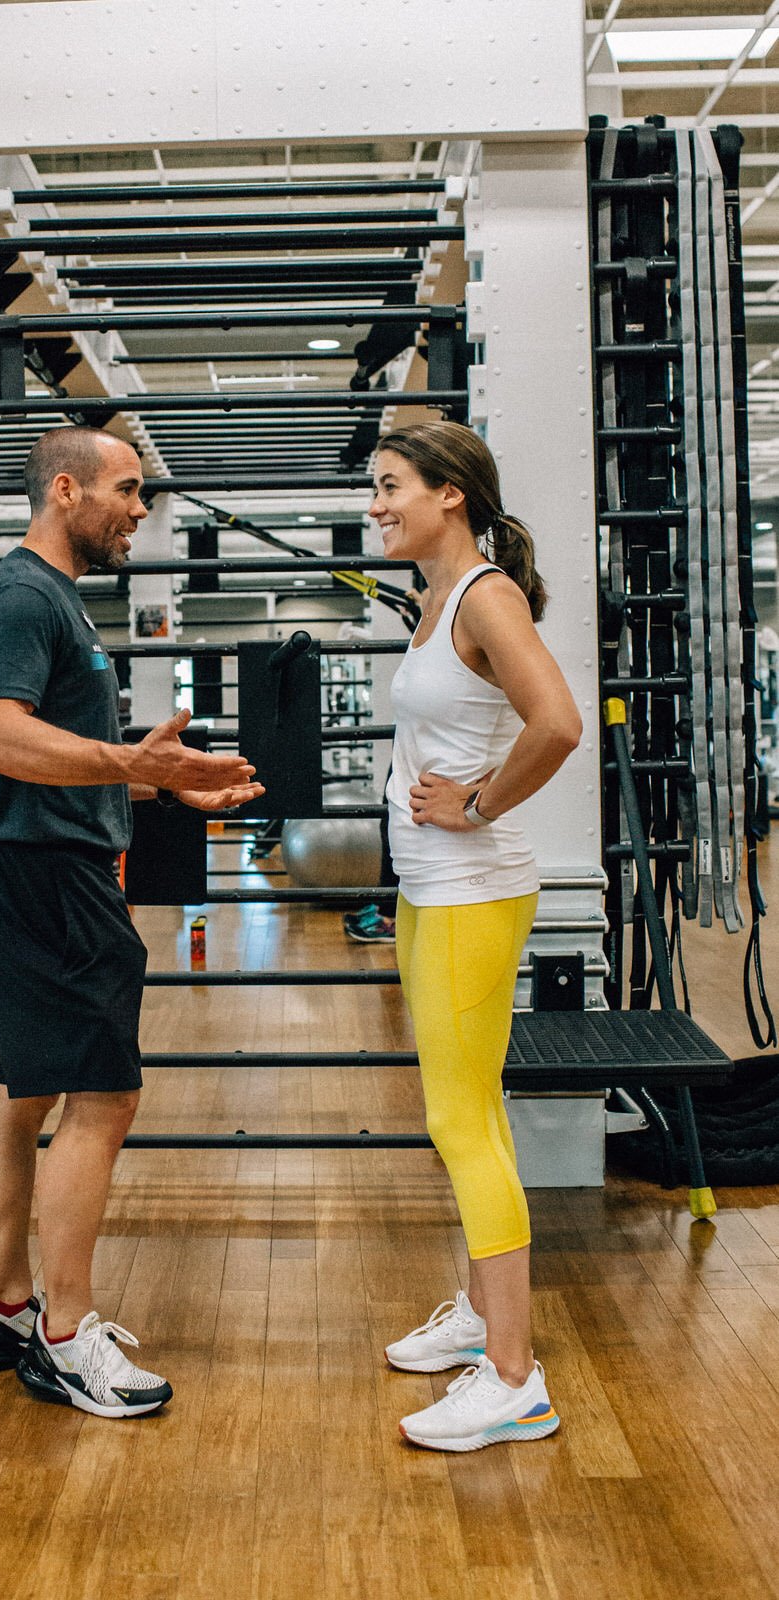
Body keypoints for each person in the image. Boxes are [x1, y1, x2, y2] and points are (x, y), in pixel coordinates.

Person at [0, 425, 263, 1418]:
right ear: (63, 489)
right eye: (127, 490)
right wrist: (134, 765)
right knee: (102, 1099)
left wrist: (161, 788)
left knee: (21, 1093)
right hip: (47, 885)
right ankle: (62, 1336)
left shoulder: (49, 599)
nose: (139, 509)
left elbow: (53, 763)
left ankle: (6, 1307)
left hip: (34, 869)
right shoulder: (19, 595)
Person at [371, 421, 581, 1452]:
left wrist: (479, 803)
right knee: (470, 1110)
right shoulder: (439, 599)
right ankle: (476, 1314)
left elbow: (557, 722)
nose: (376, 504)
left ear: (449, 493)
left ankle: (512, 1377)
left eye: (390, 485)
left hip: (467, 891)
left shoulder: (485, 596)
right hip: (428, 891)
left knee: (461, 1125)